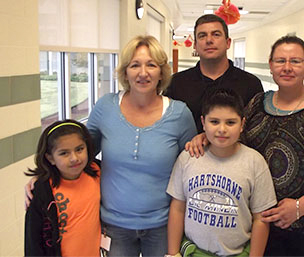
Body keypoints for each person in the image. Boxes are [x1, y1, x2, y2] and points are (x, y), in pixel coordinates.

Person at [25, 35, 197, 256]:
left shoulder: (179, 114)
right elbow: (80, 154)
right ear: (125, 71)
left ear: (162, 71)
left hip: (162, 224)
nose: (143, 73)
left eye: (151, 65)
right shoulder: (106, 107)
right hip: (115, 226)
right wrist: (43, 180)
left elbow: (191, 165)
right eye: (135, 65)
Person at [187, 35, 304, 256]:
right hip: (261, 223)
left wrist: (299, 207)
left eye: (295, 61)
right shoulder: (257, 104)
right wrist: (205, 138)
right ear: (270, 65)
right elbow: (234, 140)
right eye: (280, 61)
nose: (287, 67)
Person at [166, 88, 277, 257]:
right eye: (214, 121)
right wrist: (172, 253)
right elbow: (178, 208)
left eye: (231, 122)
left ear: (242, 124)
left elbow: (260, 219)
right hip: (193, 252)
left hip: (237, 252)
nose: (222, 129)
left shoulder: (255, 163)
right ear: (203, 123)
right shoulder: (188, 158)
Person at [165, 14, 263, 132]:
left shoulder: (250, 84)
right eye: (202, 36)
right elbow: (168, 126)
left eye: (216, 34)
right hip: (186, 149)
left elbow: (255, 131)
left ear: (228, 43)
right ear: (195, 45)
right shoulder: (176, 83)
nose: (209, 40)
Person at [24, 119, 101, 256]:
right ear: (50, 158)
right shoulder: (43, 191)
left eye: (79, 149)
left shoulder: (97, 171)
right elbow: (32, 241)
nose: (74, 158)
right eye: (64, 153)